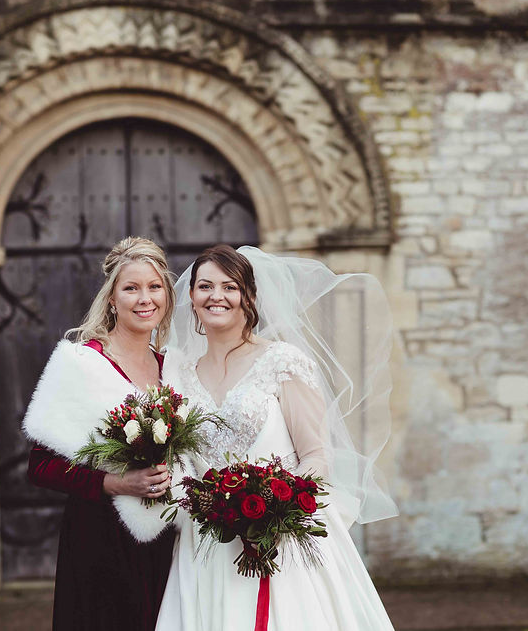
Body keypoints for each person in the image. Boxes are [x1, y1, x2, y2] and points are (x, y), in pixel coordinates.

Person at [154, 244, 399, 630]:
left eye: (229, 287)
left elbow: (317, 454)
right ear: (191, 297)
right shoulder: (179, 374)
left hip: (282, 538)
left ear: (248, 296)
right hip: (208, 543)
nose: (216, 296)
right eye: (205, 286)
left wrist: (277, 509)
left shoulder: (282, 361)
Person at [22, 237, 176, 631]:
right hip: (99, 538)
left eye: (154, 287)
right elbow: (40, 467)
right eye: (131, 288)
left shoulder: (172, 366)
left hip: (164, 540)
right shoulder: (81, 363)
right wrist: (115, 482)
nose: (145, 299)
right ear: (112, 298)